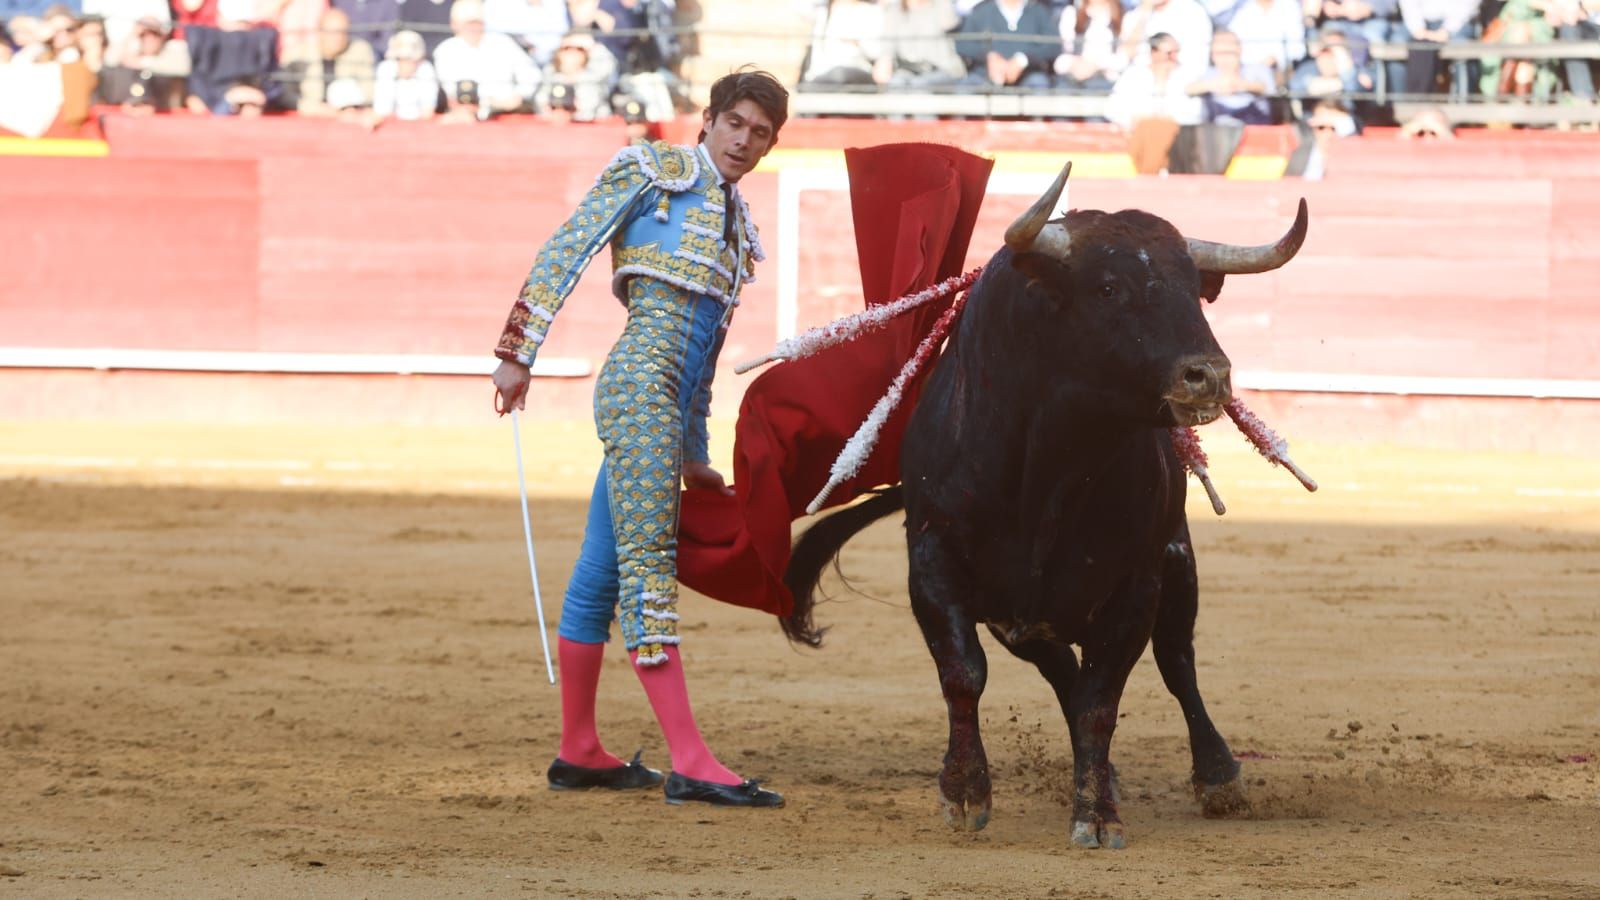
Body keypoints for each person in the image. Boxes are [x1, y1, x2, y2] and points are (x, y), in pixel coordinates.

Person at [489, 69, 790, 809]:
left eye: (761, 134)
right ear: (710, 120)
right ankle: (690, 759)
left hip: (664, 401)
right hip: (636, 385)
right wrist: (516, 352)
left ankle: (579, 750)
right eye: (736, 124)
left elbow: (707, 356)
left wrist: (695, 455)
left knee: (603, 569)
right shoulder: (652, 169)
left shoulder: (739, 228)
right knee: (648, 569)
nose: (745, 142)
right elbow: (569, 245)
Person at [433, 0, 541, 120]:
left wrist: (520, 96)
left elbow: (531, 74)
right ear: (454, 25)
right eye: (468, 24)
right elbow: (453, 93)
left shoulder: (503, 42)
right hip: (469, 115)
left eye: (477, 23)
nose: (473, 28)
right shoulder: (445, 50)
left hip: (508, 114)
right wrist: (486, 103)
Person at [283, 6, 375, 113]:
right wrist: (314, 108)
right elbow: (285, 94)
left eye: (343, 32)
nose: (338, 37)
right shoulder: (298, 54)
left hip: (347, 117)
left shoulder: (359, 51)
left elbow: (369, 91)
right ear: (319, 32)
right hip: (308, 119)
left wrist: (351, 107)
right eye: (333, 32)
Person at [953, 0, 1057, 89]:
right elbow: (963, 44)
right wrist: (989, 57)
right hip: (984, 76)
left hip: (1029, 76)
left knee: (1040, 86)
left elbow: (1054, 45)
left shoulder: (1038, 11)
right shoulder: (981, 11)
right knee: (967, 88)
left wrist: (1023, 60)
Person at [1188, 28, 1275, 122]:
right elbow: (1189, 89)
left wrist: (1240, 85)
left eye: (1229, 53)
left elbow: (1269, 89)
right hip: (1218, 130)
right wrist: (1214, 85)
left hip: (1254, 128)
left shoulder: (1257, 69)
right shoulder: (1209, 74)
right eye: (1219, 53)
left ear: (1239, 51)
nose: (1224, 58)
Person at [369, 28, 439, 122]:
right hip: (392, 127)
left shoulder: (426, 69)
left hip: (419, 127)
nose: (405, 64)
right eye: (400, 59)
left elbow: (428, 112)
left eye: (409, 59)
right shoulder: (386, 68)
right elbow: (382, 110)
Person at [1053, 0, 1125, 91]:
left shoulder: (1121, 15)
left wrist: (1095, 65)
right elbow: (1061, 55)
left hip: (1107, 81)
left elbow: (1123, 58)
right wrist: (1076, 64)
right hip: (1075, 77)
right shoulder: (1072, 13)